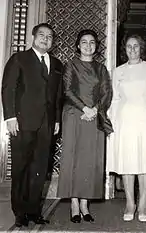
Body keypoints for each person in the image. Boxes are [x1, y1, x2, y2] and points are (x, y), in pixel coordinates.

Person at [1, 23, 63, 227]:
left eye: (50, 36)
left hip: (46, 124)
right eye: (42, 35)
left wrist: (56, 120)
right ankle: (19, 213)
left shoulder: (56, 63)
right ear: (34, 37)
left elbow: (57, 96)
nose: (46, 39)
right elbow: (8, 88)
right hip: (22, 123)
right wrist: (10, 117)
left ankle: (34, 211)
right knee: (21, 168)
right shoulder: (19, 59)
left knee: (40, 168)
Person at [57, 29, 112, 223]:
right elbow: (67, 90)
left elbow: (106, 93)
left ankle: (85, 204)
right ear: (78, 45)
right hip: (74, 115)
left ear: (96, 46)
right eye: (84, 42)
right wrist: (84, 109)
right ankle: (74, 203)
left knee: (90, 160)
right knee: (74, 158)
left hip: (94, 117)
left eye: (92, 42)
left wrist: (95, 109)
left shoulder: (101, 69)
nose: (88, 45)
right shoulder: (71, 65)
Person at [107, 35, 146, 222]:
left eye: (136, 46)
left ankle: (143, 203)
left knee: (145, 161)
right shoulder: (118, 71)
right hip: (123, 122)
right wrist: (111, 123)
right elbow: (114, 99)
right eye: (129, 47)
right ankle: (130, 203)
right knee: (127, 162)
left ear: (141, 49)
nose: (132, 50)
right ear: (125, 49)